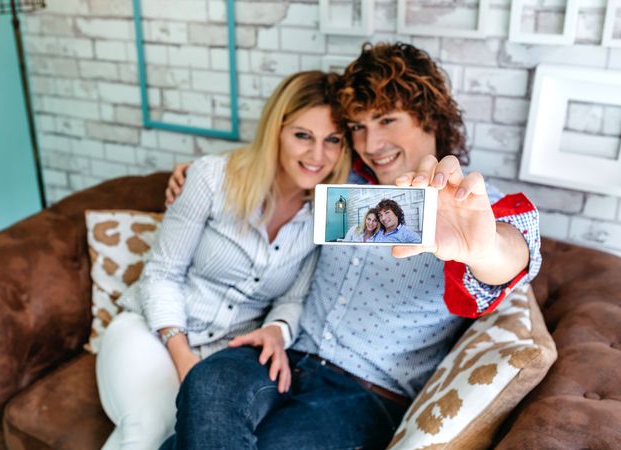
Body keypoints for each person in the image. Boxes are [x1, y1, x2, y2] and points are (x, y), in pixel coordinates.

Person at [160, 42, 541, 450]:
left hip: (367, 392)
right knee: (208, 382)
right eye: (358, 127)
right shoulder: (347, 182)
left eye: (386, 120)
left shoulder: (473, 204)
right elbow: (277, 168)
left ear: (429, 116)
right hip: (288, 352)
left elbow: (513, 254)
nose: (371, 143)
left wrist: (482, 250)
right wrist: (196, 176)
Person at [95, 71, 351, 450]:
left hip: (228, 354)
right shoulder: (211, 177)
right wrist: (184, 362)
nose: (317, 156)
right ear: (275, 131)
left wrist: (277, 331)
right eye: (302, 136)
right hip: (154, 332)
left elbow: (293, 300)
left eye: (333, 140)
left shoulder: (331, 211)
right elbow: (162, 273)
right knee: (148, 430)